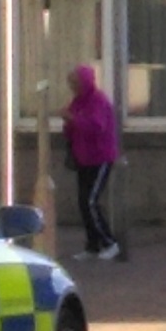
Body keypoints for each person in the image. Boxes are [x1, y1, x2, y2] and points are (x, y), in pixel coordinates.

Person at [64, 62, 125, 261]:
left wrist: (73, 120)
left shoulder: (98, 101)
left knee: (90, 201)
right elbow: (72, 128)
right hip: (84, 158)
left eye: (75, 83)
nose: (72, 87)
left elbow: (96, 126)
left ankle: (110, 242)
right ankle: (92, 245)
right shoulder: (77, 102)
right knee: (83, 202)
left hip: (100, 157)